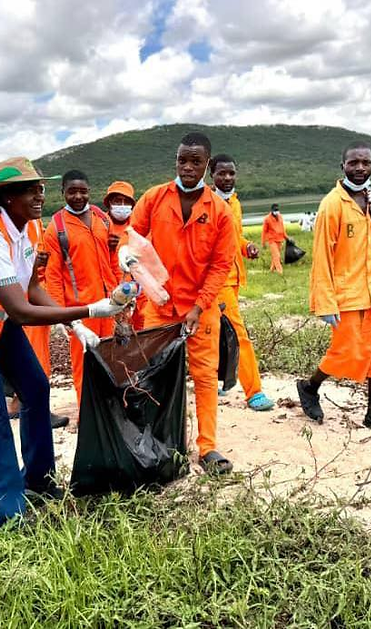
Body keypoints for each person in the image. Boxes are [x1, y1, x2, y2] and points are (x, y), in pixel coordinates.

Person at [0, 156, 126, 528]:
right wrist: (87, 312)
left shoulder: (31, 229)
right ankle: (7, 511)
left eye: (40, 187)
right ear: (5, 198)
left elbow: (32, 285)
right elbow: (20, 310)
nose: (39, 194)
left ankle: (39, 480)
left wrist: (73, 325)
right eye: (29, 189)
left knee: (36, 388)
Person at [122, 132, 237, 474]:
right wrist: (128, 264)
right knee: (156, 376)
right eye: (182, 160)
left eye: (196, 162)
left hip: (200, 310)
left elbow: (220, 265)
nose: (188, 167)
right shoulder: (155, 198)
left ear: (207, 164)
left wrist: (199, 306)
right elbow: (131, 240)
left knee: (203, 377)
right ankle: (161, 441)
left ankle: (208, 447)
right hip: (159, 307)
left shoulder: (219, 210)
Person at [296, 141, 371, 431]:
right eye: (353, 163)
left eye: (365, 163)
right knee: (346, 351)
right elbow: (321, 256)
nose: (360, 168)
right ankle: (309, 387)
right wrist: (323, 301)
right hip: (347, 293)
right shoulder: (332, 204)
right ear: (342, 166)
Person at [43, 170, 120, 409]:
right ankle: (87, 412)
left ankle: (111, 409)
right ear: (62, 193)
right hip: (80, 311)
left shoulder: (102, 218)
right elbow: (53, 275)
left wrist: (120, 291)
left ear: (90, 191)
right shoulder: (56, 228)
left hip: (108, 305)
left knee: (111, 359)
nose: (78, 196)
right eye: (72, 191)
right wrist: (61, 316)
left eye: (83, 191)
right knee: (83, 364)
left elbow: (113, 259)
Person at [209, 153, 275, 412]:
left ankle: (220, 382)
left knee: (215, 332)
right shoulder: (207, 203)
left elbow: (234, 237)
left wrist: (246, 247)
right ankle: (254, 391)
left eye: (231, 173)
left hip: (235, 277)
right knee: (237, 333)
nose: (227, 178)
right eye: (221, 173)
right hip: (217, 281)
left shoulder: (234, 202)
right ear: (211, 175)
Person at [104, 180, 144, 330]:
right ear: (109, 204)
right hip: (111, 289)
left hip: (140, 288)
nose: (121, 205)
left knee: (142, 329)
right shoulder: (100, 224)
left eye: (125, 201)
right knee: (113, 332)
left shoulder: (140, 224)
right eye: (117, 201)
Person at [261, 204, 287, 274]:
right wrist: (263, 242)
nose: (276, 211)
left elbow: (282, 228)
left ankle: (271, 270)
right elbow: (264, 231)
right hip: (272, 240)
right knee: (277, 255)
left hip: (280, 239)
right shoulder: (267, 219)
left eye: (277, 210)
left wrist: (286, 237)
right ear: (272, 210)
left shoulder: (280, 217)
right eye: (275, 210)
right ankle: (280, 271)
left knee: (275, 256)